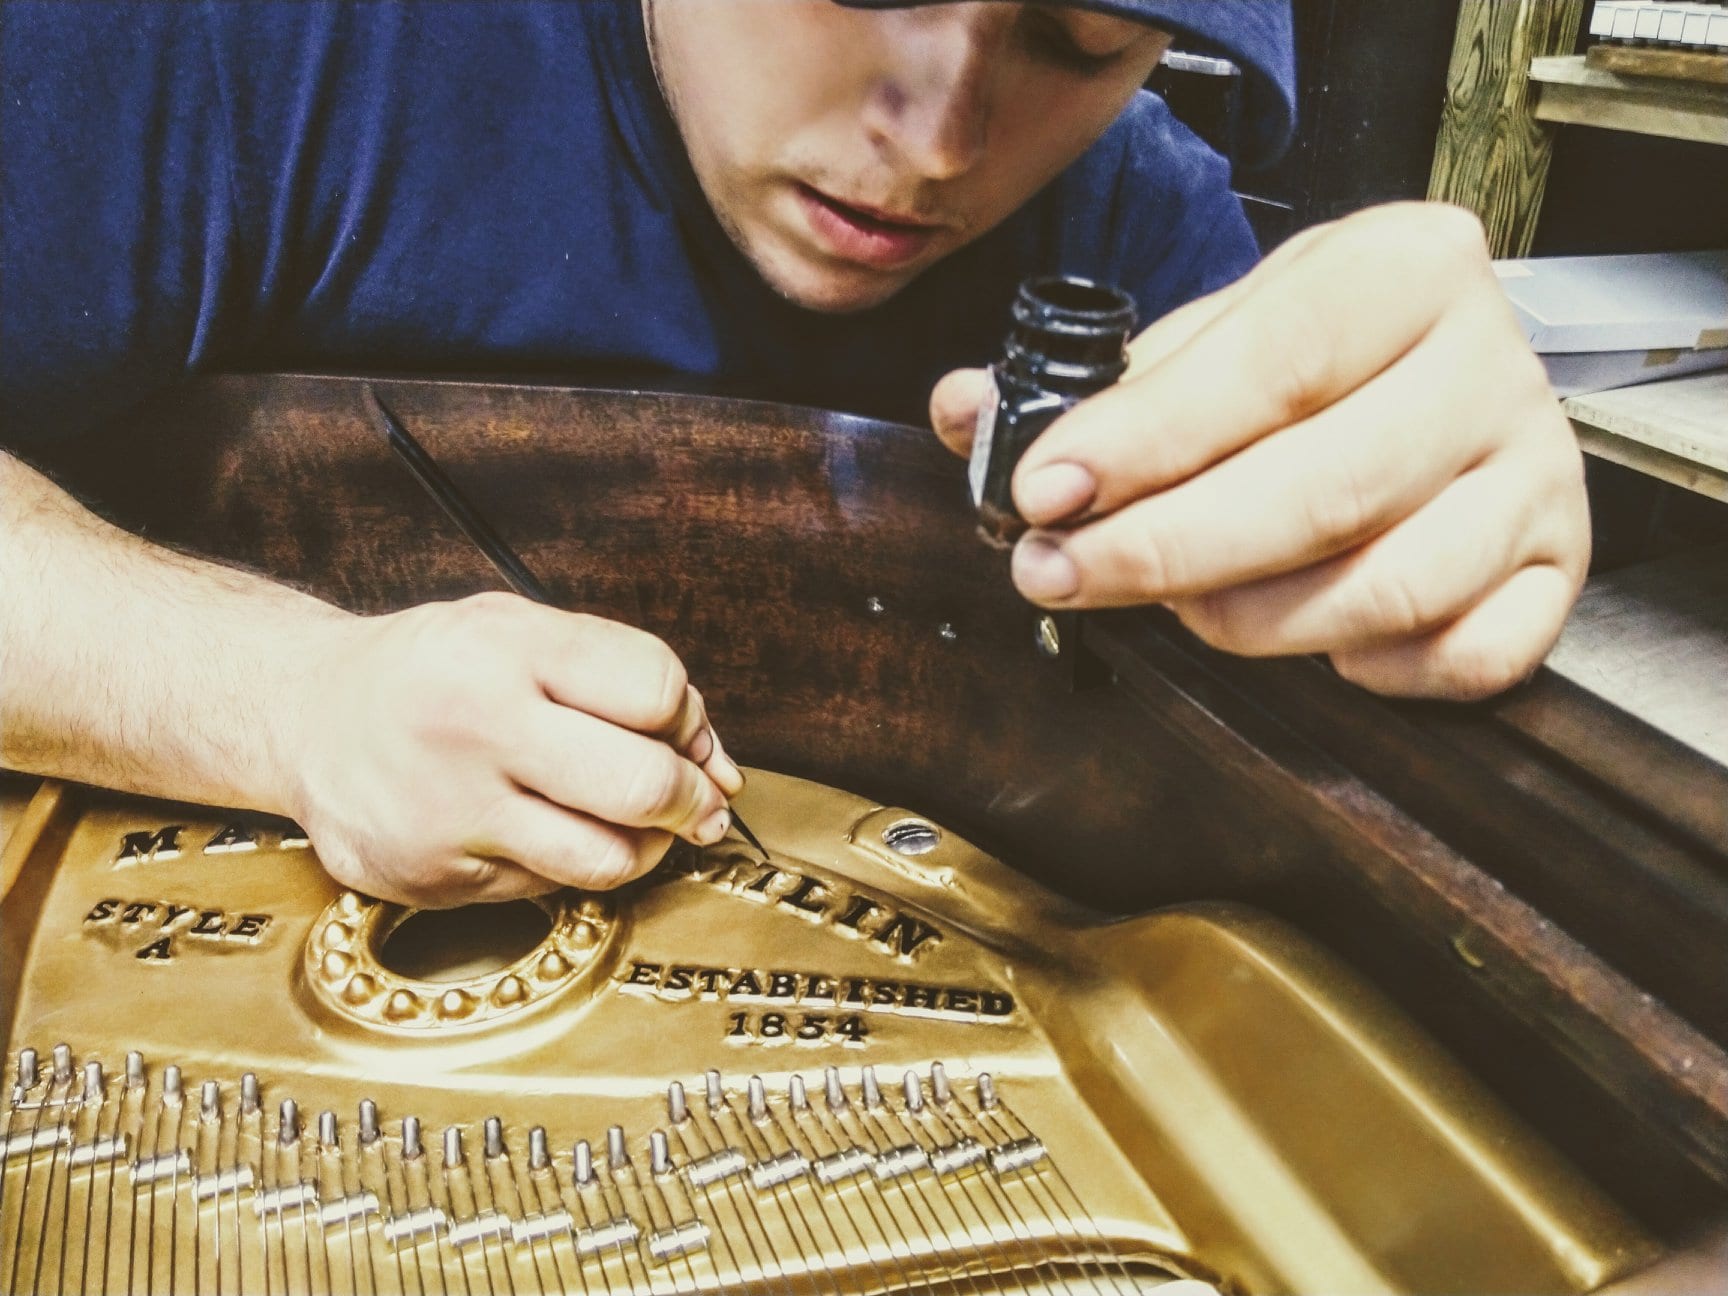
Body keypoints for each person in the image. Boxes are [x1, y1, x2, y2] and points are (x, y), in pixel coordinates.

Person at [0, 1, 1589, 909]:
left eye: (1079, 35)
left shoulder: (1130, 216)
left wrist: (1446, 524)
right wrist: (287, 700)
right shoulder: (226, 45)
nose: (944, 134)